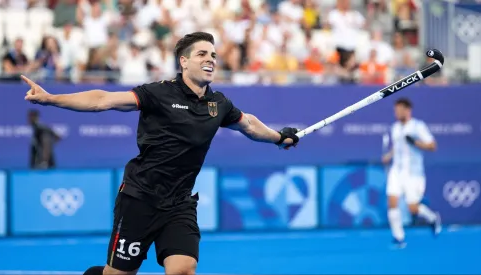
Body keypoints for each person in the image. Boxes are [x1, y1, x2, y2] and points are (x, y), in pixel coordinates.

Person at [21, 32, 300, 275]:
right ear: (184, 61)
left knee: (183, 269)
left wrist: (279, 138)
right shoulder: (158, 93)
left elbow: (248, 124)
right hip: (139, 198)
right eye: (202, 54)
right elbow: (102, 100)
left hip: (179, 203)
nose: (211, 59)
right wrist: (51, 98)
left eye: (213, 55)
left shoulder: (219, 104)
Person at [382, 98, 441, 248]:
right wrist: (389, 156)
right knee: (392, 202)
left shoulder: (418, 126)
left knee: (412, 208)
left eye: (399, 110)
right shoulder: (395, 128)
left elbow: (432, 146)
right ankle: (399, 238)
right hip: (397, 171)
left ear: (408, 110)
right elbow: (397, 147)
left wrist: (415, 143)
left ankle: (432, 218)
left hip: (413, 173)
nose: (396, 113)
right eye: (395, 110)